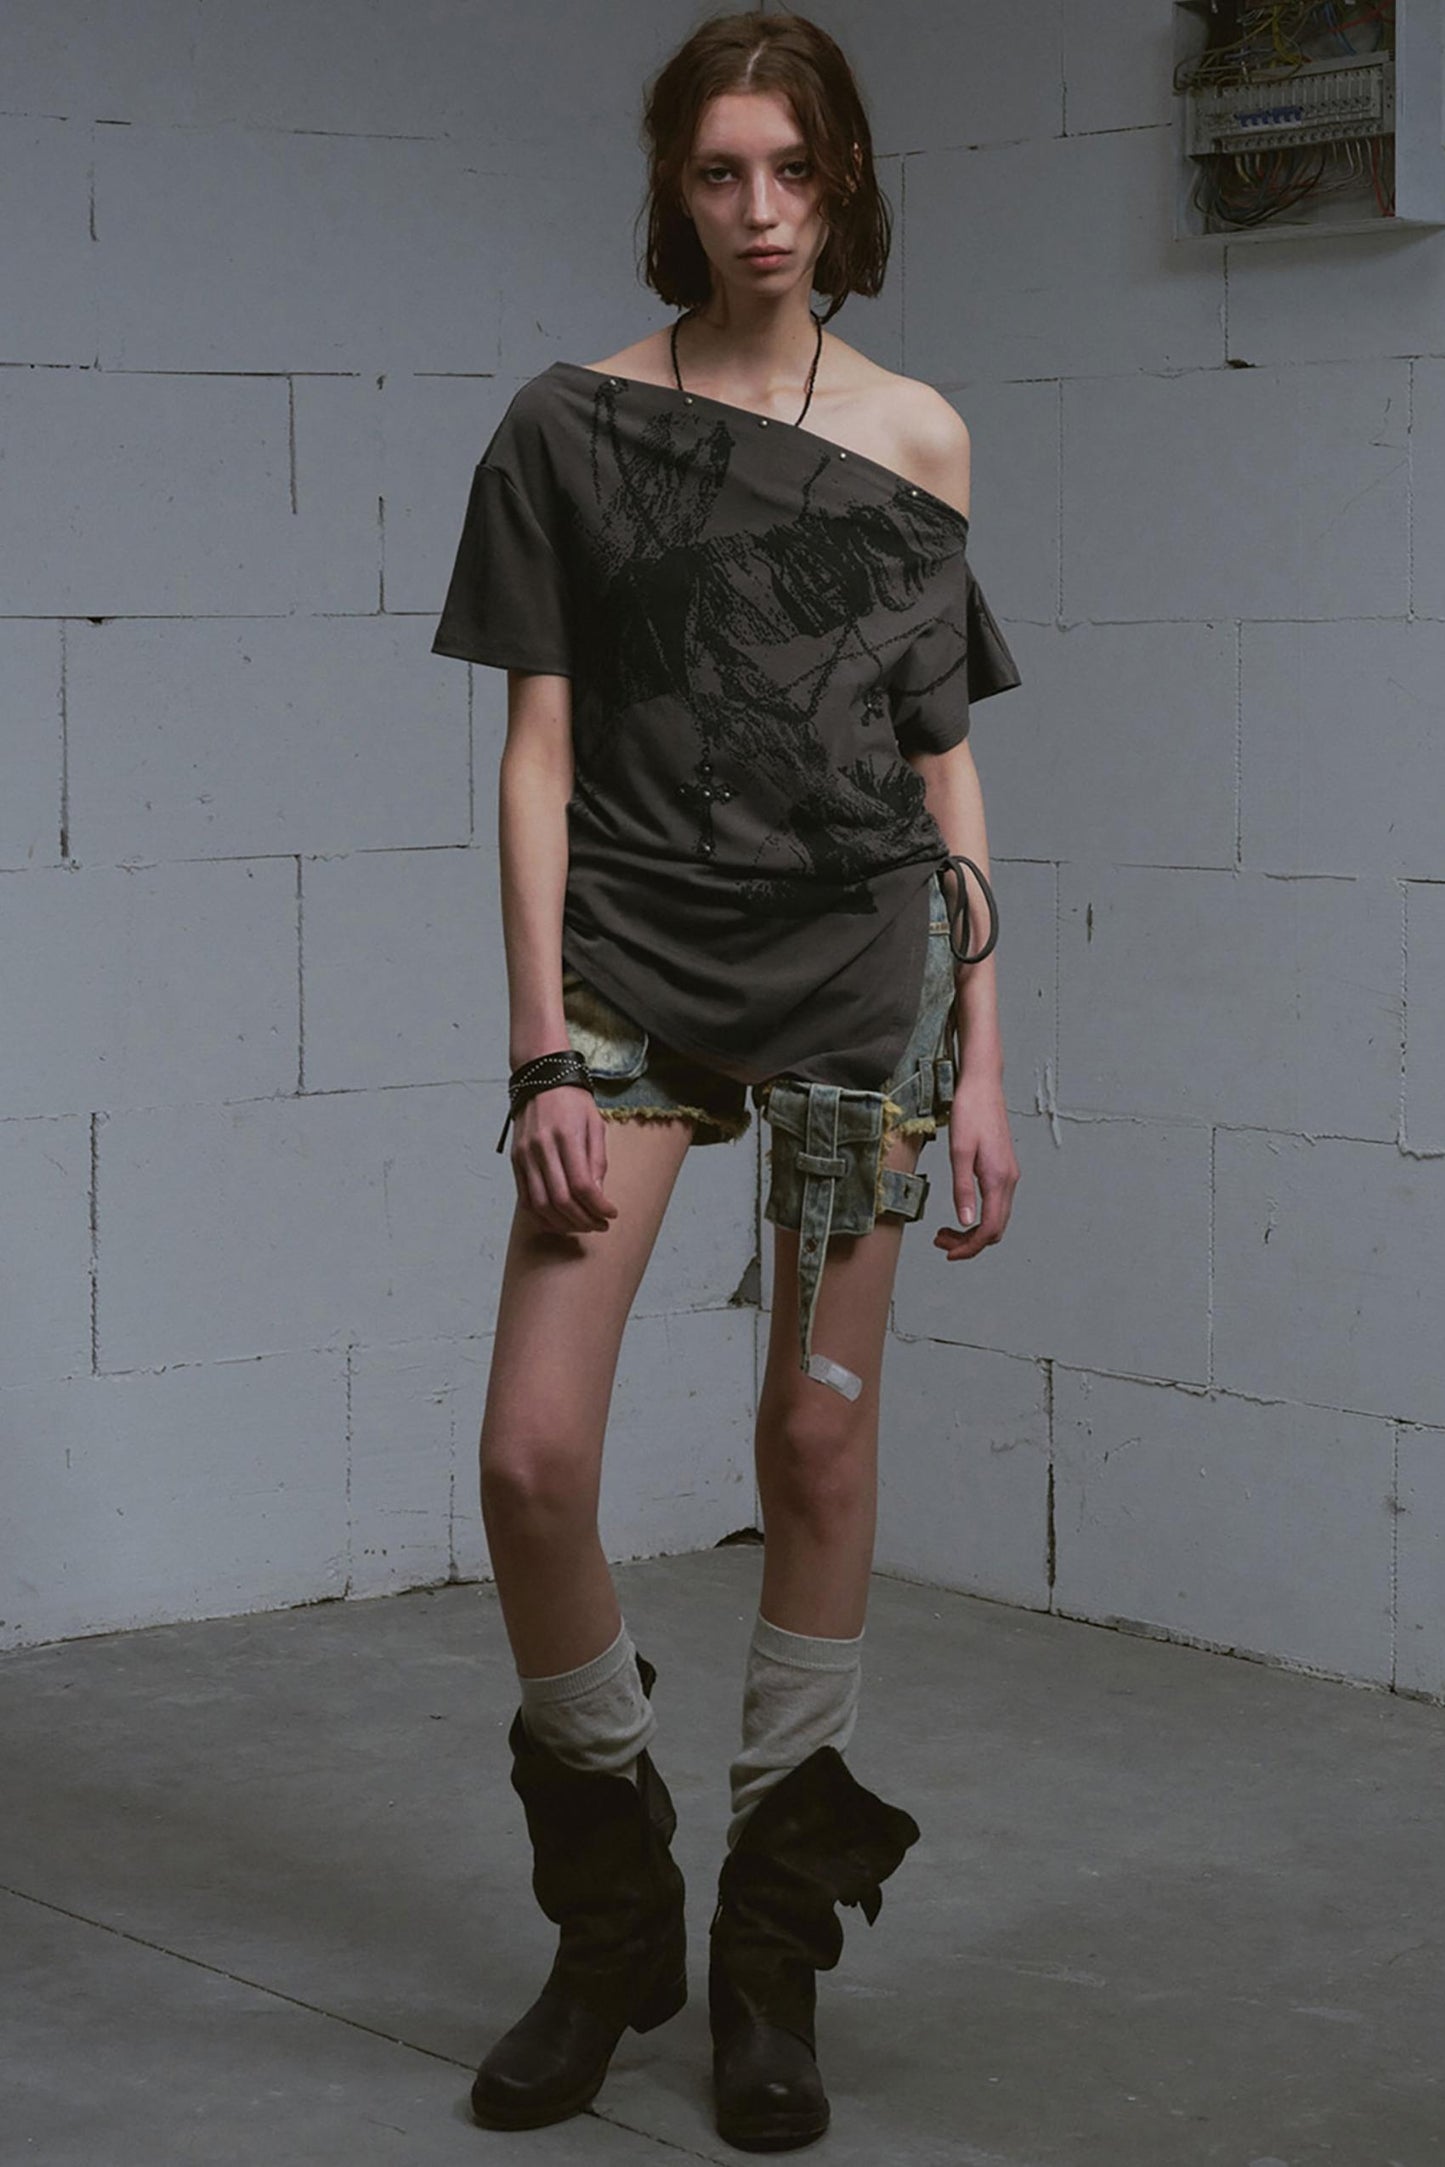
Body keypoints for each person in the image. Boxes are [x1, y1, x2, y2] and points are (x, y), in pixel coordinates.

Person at [429, 9, 1022, 2150]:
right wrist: (537, 1045)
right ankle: (614, 1921)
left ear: (842, 179)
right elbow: (536, 757)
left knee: (815, 1443)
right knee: (530, 1457)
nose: (759, 212)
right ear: (669, 187)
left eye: (793, 169)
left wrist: (983, 1053)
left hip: (864, 972)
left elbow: (942, 761)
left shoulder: (919, 434)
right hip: (633, 973)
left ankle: (770, 1949)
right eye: (718, 172)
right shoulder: (568, 423)